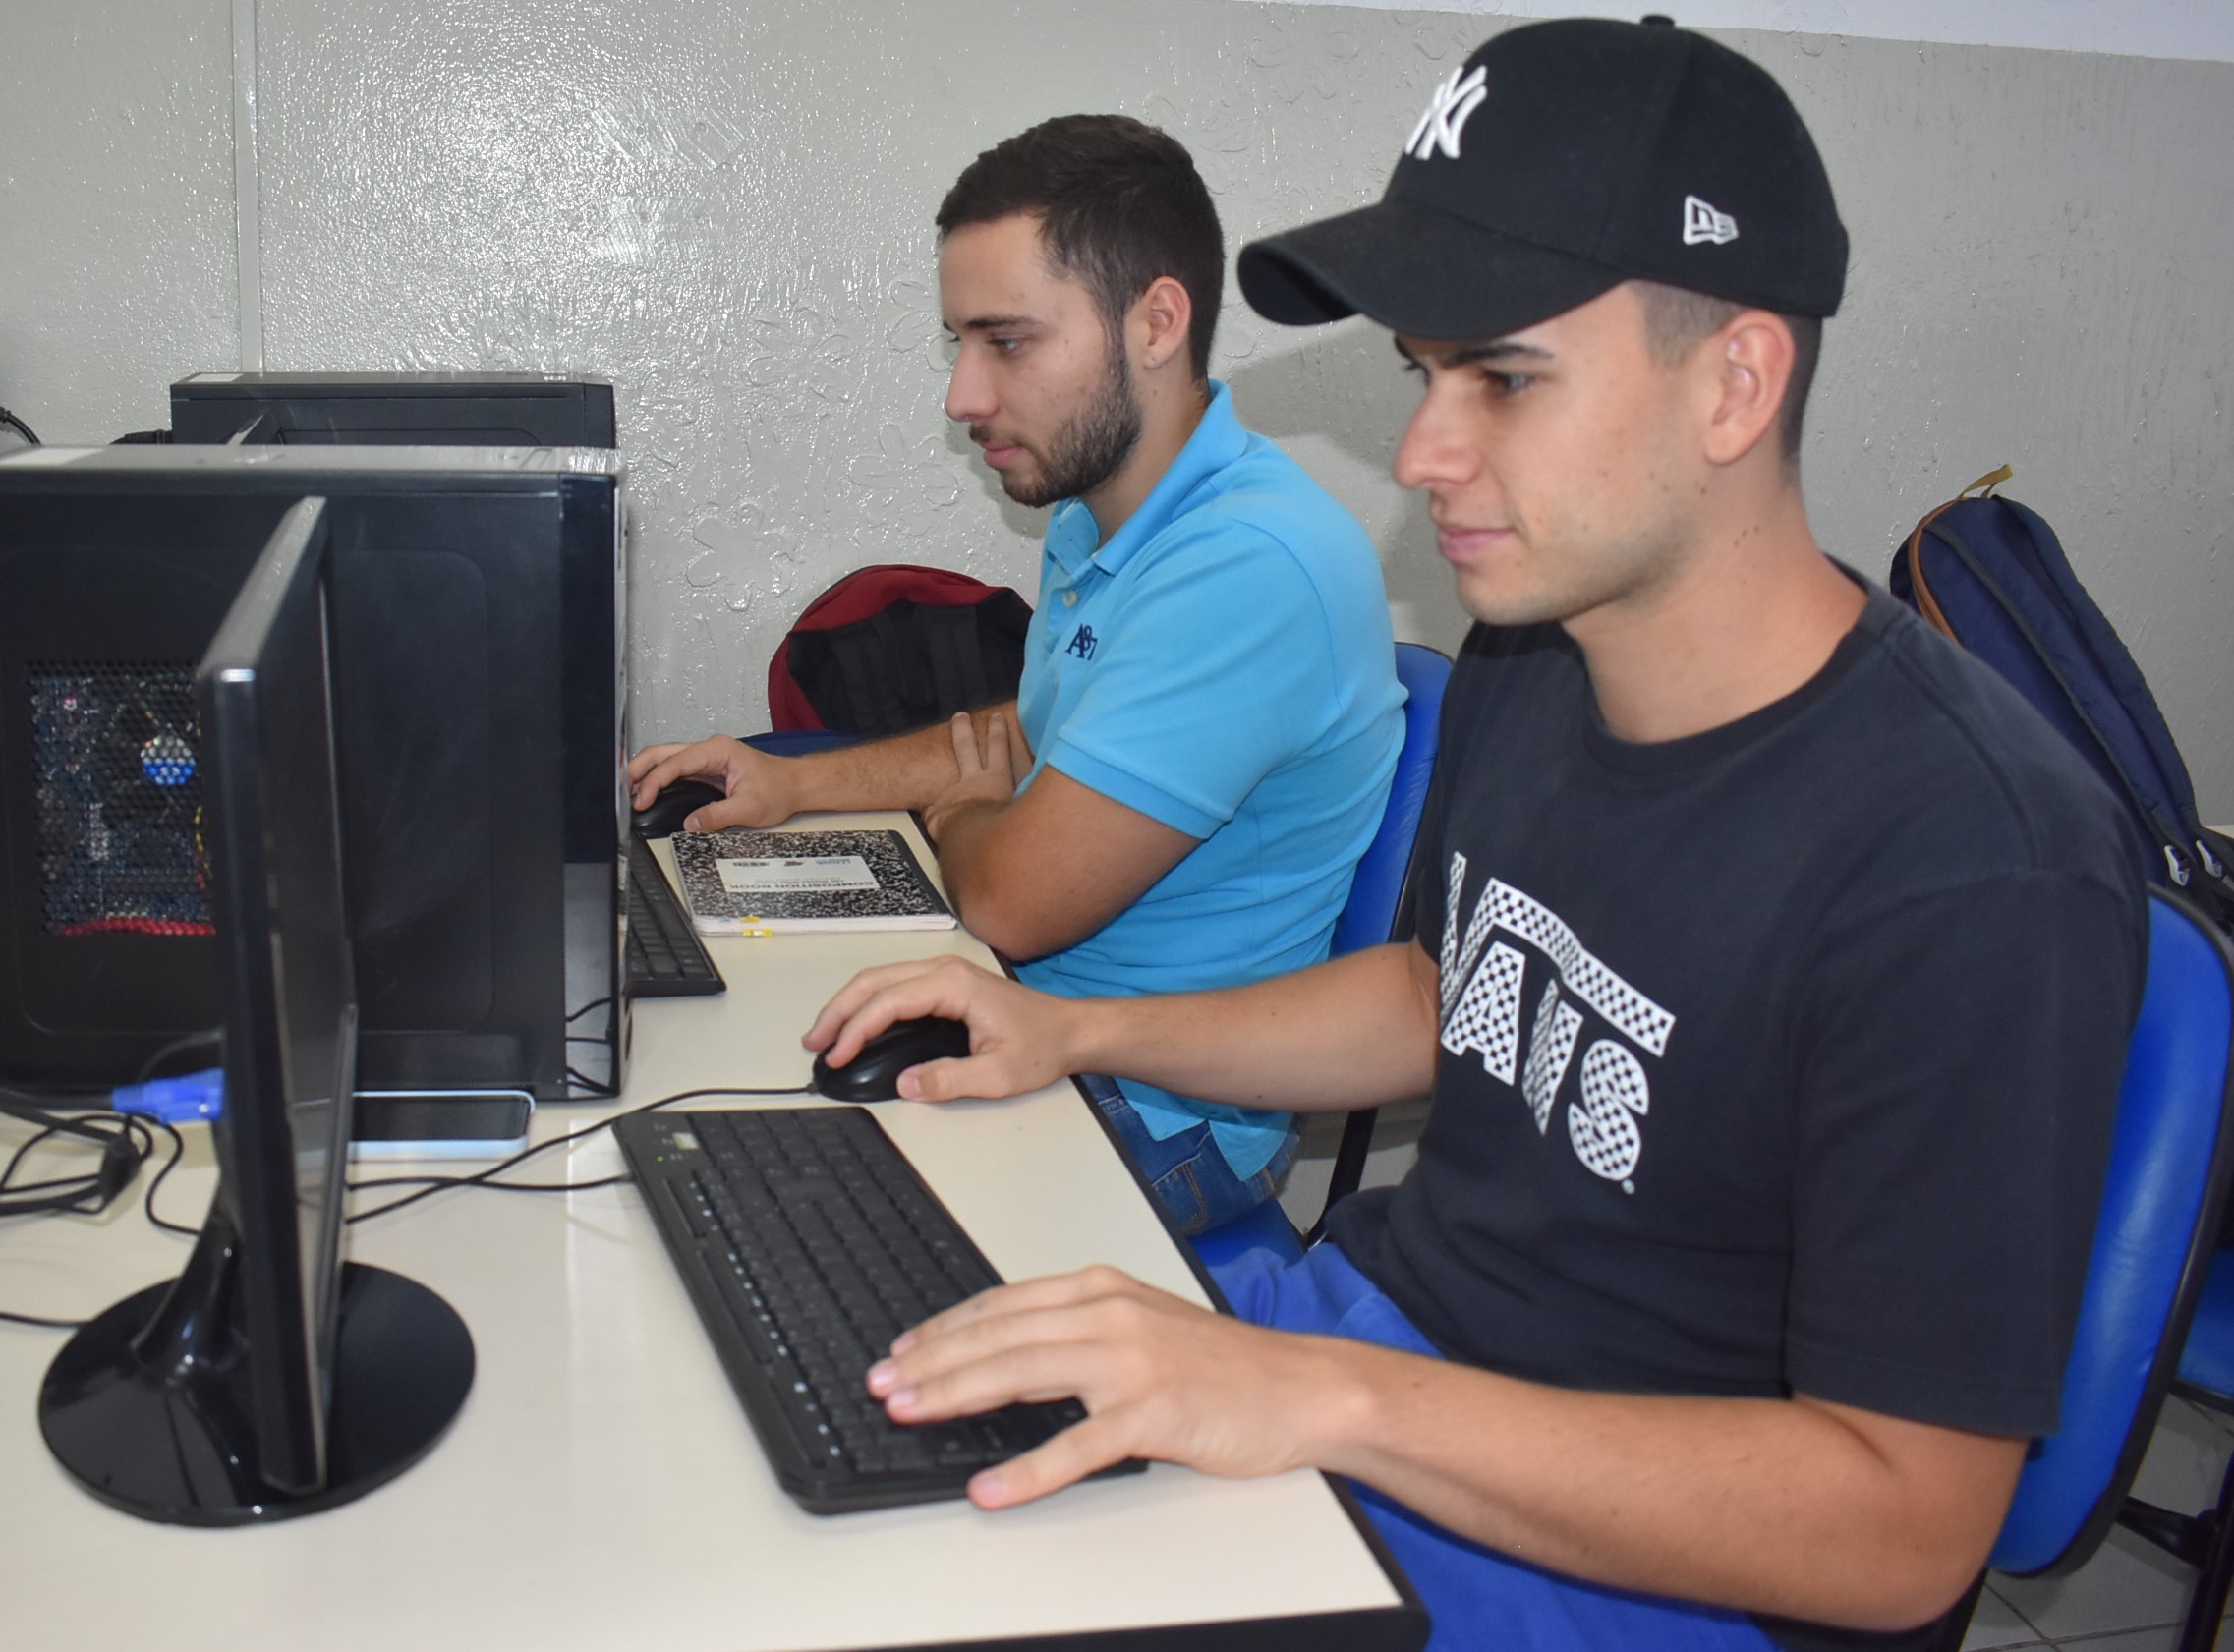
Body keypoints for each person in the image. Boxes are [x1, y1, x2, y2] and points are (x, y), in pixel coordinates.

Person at [802, 18, 2148, 1652]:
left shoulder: (1967, 856)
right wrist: (1077, 1024)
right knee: (857, 1420)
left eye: (1502, 376)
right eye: (1424, 374)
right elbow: (1451, 997)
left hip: (1649, 1557)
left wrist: (1327, 1398)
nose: (1427, 455)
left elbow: (1900, 1532)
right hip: (1397, 1348)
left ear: (1735, 380)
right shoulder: (1540, 653)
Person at [632, 115, 1404, 1234]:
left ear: (1156, 321)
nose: (963, 396)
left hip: (1151, 1119)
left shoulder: (1246, 567)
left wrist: (971, 811)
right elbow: (1039, 735)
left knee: (742, 1205)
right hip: (1021, 1020)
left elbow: (1011, 898)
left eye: (1006, 342)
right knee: (692, 1091)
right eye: (959, 342)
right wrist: (795, 782)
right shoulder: (1101, 514)